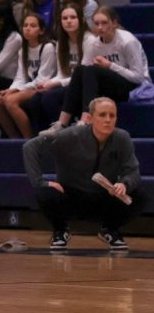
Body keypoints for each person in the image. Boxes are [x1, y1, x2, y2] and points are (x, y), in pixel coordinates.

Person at [23, 97, 149, 250]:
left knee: (141, 195)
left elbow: (133, 172)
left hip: (104, 198)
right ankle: (61, 230)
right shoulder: (70, 135)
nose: (108, 120)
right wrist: (40, 181)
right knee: (44, 192)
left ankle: (109, 229)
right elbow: (30, 147)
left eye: (112, 115)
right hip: (72, 196)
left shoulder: (122, 138)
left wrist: (124, 183)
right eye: (102, 115)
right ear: (89, 118)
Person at [40, 5, 151, 135]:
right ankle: (62, 123)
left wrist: (110, 65)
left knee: (91, 70)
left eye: (104, 23)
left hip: (133, 87)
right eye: (97, 23)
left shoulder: (127, 41)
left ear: (114, 23)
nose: (100, 27)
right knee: (81, 69)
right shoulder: (95, 44)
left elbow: (139, 77)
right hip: (109, 86)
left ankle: (86, 120)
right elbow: (81, 74)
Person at [27, 3, 98, 132]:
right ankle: (41, 137)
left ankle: (66, 131)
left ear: (81, 20)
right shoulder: (61, 42)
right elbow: (62, 73)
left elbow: (83, 75)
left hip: (83, 86)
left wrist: (55, 83)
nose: (69, 21)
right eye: (65, 18)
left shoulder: (90, 40)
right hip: (67, 83)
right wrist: (48, 83)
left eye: (73, 17)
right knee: (35, 100)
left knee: (49, 98)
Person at [0, 13, 56, 138]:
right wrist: (11, 89)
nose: (27, 28)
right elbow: (20, 76)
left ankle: (29, 139)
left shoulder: (47, 47)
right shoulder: (23, 49)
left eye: (32, 26)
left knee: (10, 101)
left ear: (41, 30)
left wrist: (17, 90)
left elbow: (43, 78)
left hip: (45, 87)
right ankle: (14, 139)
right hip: (30, 86)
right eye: (25, 25)